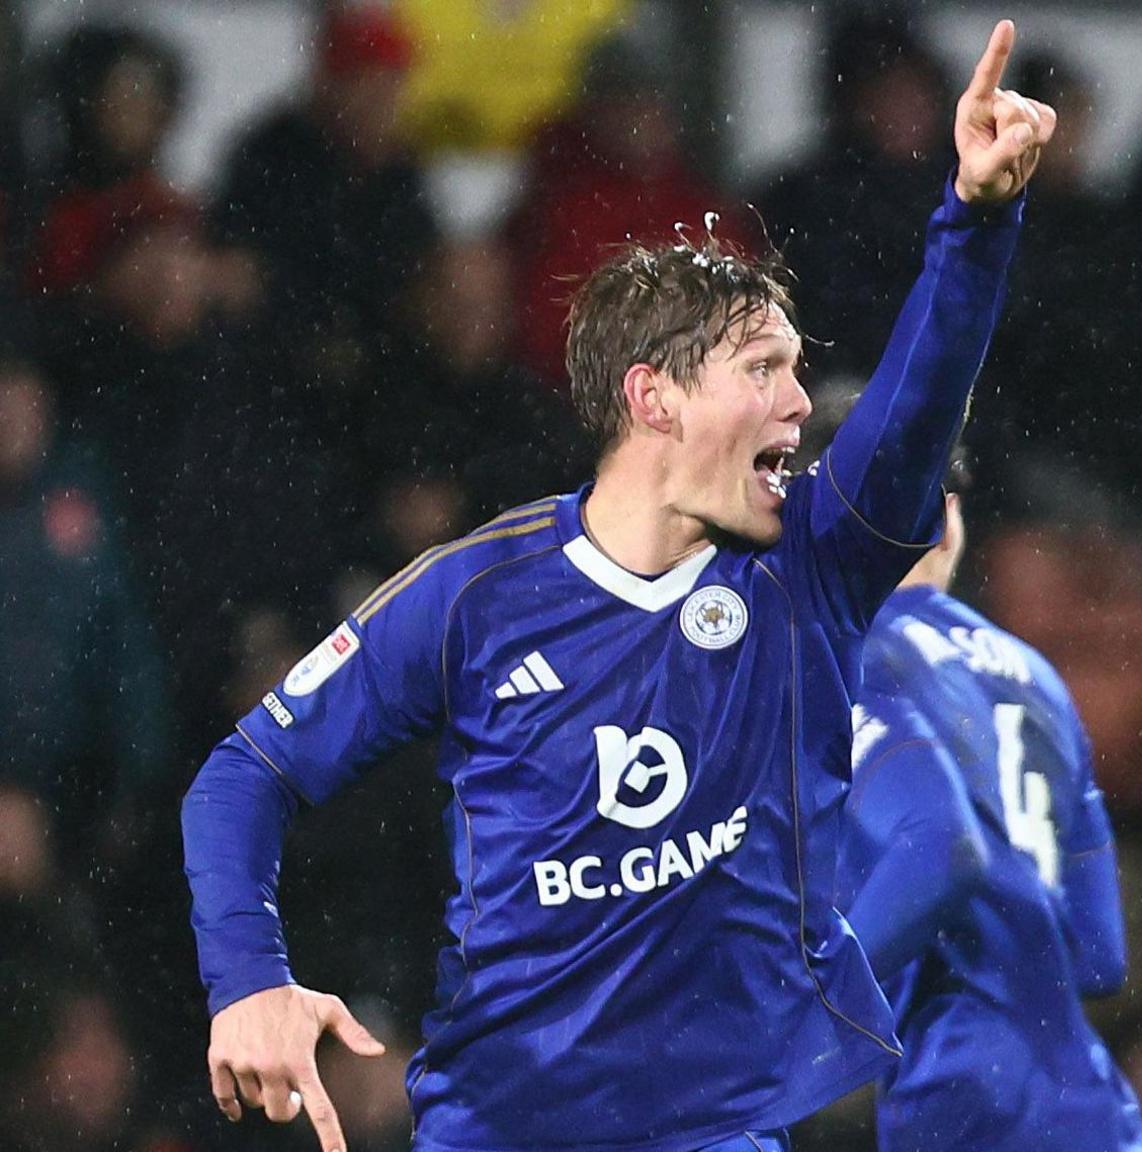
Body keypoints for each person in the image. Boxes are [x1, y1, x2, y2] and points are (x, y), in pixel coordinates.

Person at [181, 22, 1054, 1152]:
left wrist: (977, 218)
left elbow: (918, 403)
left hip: (713, 1132)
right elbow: (245, 771)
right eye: (763, 372)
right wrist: (247, 978)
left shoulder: (808, 570)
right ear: (654, 400)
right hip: (494, 1127)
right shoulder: (473, 593)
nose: (799, 407)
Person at [837, 466, 1142, 1151]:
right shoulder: (1039, 675)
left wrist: (812, 997)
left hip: (961, 1083)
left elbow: (940, 849)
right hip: (1087, 1096)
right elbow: (1100, 956)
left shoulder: (851, 657)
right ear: (950, 520)